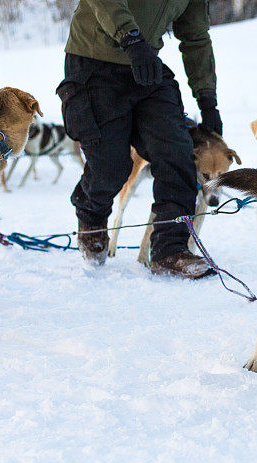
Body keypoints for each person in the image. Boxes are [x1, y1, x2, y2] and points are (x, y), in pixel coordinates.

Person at [57, 0, 222, 279]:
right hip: (94, 62)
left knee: (177, 150)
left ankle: (169, 249)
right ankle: (92, 217)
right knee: (111, 166)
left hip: (145, 66)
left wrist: (207, 101)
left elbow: (195, 36)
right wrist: (130, 38)